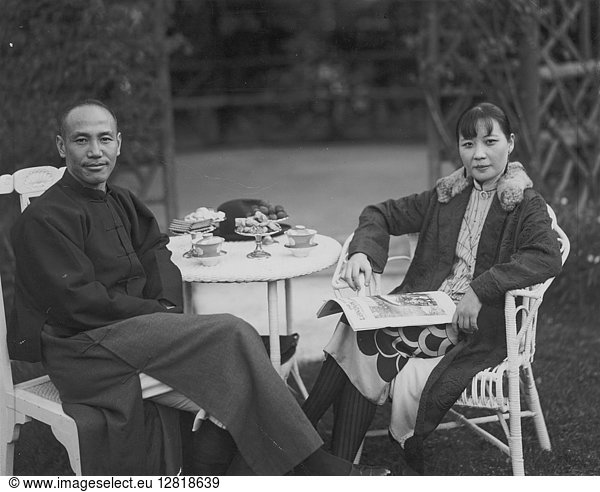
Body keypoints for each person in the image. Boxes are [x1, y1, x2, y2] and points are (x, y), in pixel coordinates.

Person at [9, 99, 390, 476]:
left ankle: (227, 476)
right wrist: (155, 315)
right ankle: (321, 468)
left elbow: (157, 252)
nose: (95, 151)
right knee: (232, 333)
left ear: (119, 144)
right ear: (62, 146)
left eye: (104, 139)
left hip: (135, 331)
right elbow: (78, 301)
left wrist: (166, 306)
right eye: (81, 140)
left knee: (236, 359)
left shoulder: (121, 200)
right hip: (85, 347)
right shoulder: (45, 218)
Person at [301, 102, 563, 474]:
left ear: (511, 143)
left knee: (364, 338)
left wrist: (482, 288)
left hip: (476, 324)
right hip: (423, 307)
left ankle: (300, 438)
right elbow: (379, 214)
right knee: (356, 329)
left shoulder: (524, 204)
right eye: (468, 144)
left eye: (490, 142)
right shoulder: (448, 196)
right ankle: (330, 464)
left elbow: (546, 257)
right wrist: (362, 252)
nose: (479, 154)